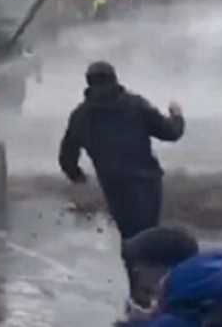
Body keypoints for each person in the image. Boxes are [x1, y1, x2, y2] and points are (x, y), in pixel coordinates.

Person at [59, 61, 185, 307]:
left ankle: (139, 293)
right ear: (114, 79)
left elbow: (66, 156)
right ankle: (153, 294)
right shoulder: (135, 105)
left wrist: (77, 176)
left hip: (115, 187)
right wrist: (177, 115)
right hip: (147, 183)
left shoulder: (81, 116)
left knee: (130, 238)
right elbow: (170, 133)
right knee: (150, 235)